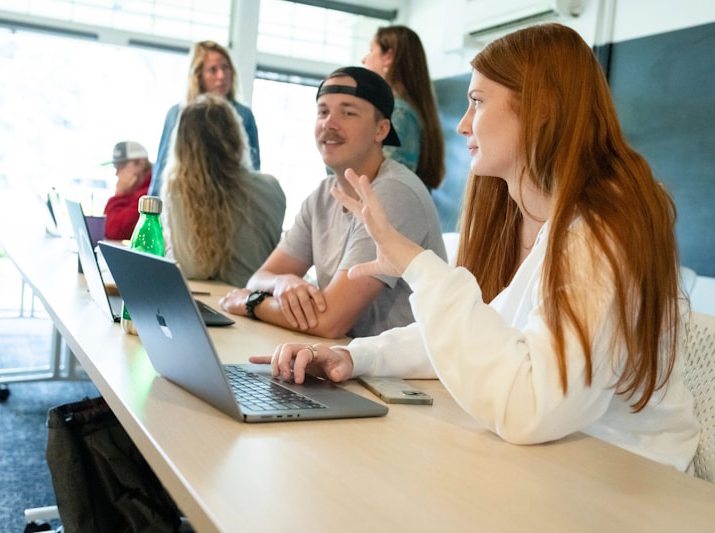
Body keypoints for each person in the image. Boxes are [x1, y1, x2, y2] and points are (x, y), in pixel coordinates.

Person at [255, 24, 700, 472]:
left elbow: (531, 408)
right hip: (571, 460)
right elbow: (484, 332)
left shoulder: (602, 226)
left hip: (630, 478)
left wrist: (417, 266)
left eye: (478, 102)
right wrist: (356, 356)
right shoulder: (556, 226)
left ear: (540, 107)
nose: (464, 123)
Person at [219, 66, 446, 339]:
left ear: (381, 130)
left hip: (399, 376)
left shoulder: (394, 193)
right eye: (323, 112)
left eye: (348, 113)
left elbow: (330, 321)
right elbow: (259, 278)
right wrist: (282, 282)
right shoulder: (322, 194)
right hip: (347, 360)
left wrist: (251, 303)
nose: (329, 123)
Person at [162, 94, 285, 288]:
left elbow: (193, 270)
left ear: (183, 145)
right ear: (236, 136)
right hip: (258, 304)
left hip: (212, 307)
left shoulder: (179, 190)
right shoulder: (271, 187)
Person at [148, 40, 260, 196]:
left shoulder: (243, 116)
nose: (221, 76)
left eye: (225, 68)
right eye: (213, 70)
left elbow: (253, 172)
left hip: (230, 203)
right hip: (184, 200)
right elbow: (162, 171)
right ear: (198, 76)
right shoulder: (178, 114)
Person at [362, 25, 445, 191]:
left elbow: (386, 186)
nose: (364, 59)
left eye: (371, 50)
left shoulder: (400, 113)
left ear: (388, 57)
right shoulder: (404, 110)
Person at [102, 140, 153, 241]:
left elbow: (113, 231)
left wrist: (119, 194)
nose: (117, 173)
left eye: (122, 166)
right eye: (116, 167)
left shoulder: (149, 194)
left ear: (141, 163)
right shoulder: (133, 190)